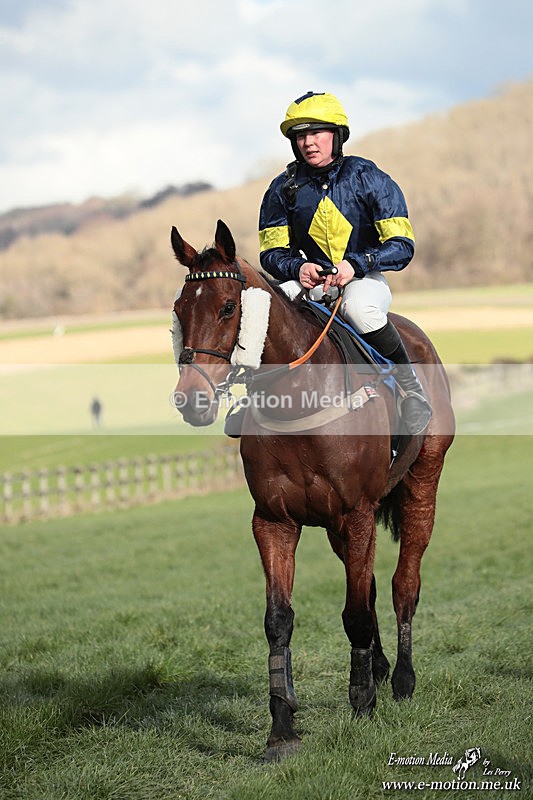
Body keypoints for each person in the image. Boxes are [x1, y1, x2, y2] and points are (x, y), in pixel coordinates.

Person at [257, 90, 432, 435]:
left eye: (316, 132)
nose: (308, 142)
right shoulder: (282, 189)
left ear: (337, 135)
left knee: (360, 309)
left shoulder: (370, 178)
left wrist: (356, 264)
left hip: (363, 280)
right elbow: (271, 253)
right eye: (300, 135)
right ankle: (251, 397)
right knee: (263, 309)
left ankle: (411, 390)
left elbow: (402, 245)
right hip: (308, 283)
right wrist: (297, 268)